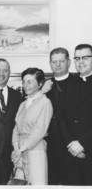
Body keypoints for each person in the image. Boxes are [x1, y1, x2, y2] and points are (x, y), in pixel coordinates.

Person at [12, 68, 53, 185]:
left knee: (37, 184)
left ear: (40, 84)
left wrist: (21, 149)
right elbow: (16, 129)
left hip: (36, 151)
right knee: (19, 184)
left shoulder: (45, 103)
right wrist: (16, 149)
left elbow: (39, 131)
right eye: (23, 82)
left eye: (29, 82)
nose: (25, 85)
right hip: (19, 151)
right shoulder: (22, 104)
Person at [59, 44, 92, 185]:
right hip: (71, 152)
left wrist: (82, 143)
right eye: (77, 58)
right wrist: (71, 144)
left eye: (85, 57)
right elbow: (61, 117)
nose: (81, 62)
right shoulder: (69, 84)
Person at [45, 47, 79, 185]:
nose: (57, 65)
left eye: (61, 61)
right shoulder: (45, 86)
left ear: (69, 62)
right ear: (50, 63)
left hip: (74, 146)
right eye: (54, 62)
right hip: (50, 148)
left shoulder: (79, 83)